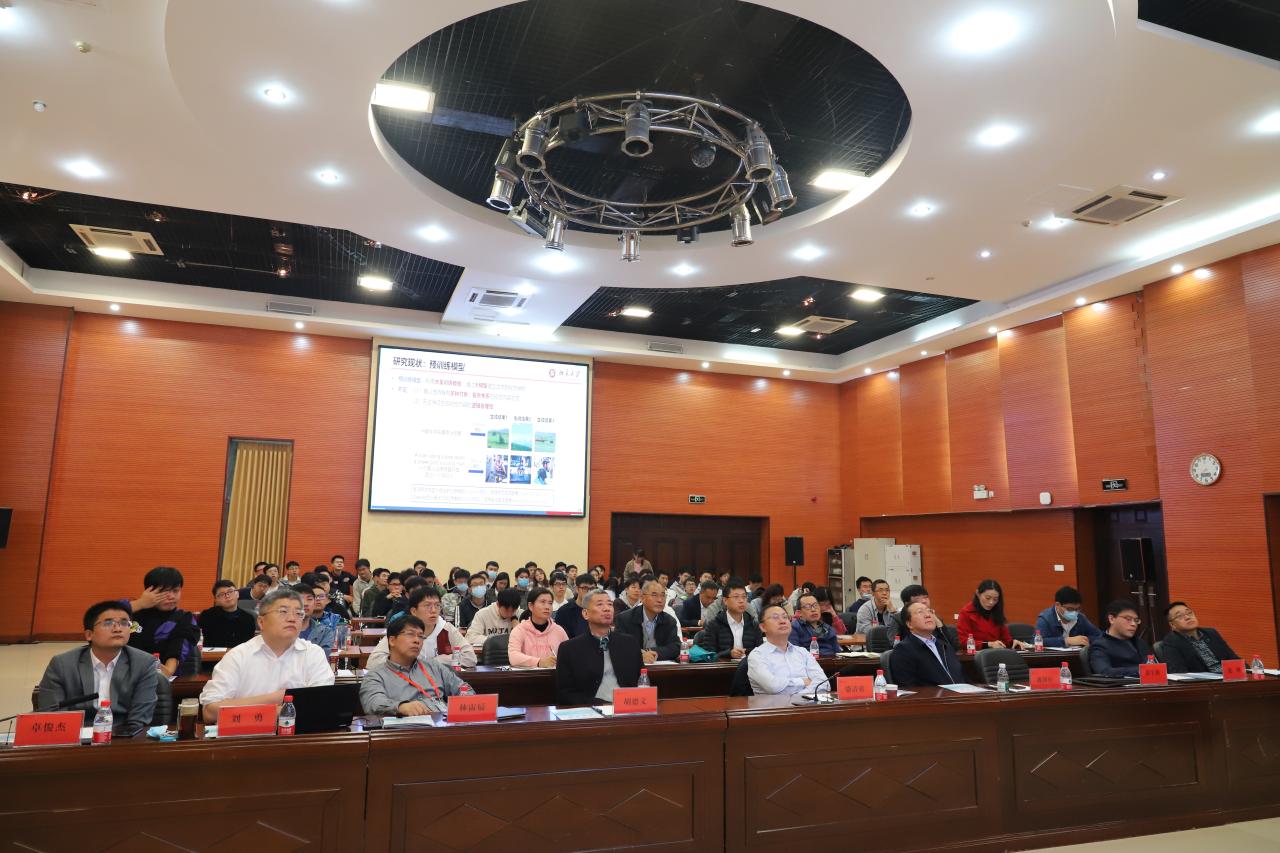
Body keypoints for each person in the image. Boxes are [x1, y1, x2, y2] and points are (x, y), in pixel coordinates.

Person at [199, 588, 335, 722]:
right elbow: (210, 712)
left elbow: (320, 705)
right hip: (248, 734)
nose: (292, 618)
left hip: (300, 734)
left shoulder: (313, 654)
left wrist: (248, 707)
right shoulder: (238, 656)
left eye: (299, 613)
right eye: (283, 612)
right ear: (261, 622)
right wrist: (281, 698)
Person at [38, 601, 158, 736]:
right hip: (74, 736)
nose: (118, 629)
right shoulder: (63, 664)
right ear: (89, 634)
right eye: (108, 623)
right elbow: (52, 714)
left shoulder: (143, 663)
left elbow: (139, 718)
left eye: (124, 623)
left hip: (123, 736)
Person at [359, 614, 473, 717]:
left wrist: (465, 702)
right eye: (410, 634)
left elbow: (464, 688)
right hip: (408, 729)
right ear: (392, 641)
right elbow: (373, 703)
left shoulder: (434, 667)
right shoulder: (375, 676)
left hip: (442, 723)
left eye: (421, 636)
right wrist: (400, 707)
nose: (417, 641)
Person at [554, 590, 642, 706]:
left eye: (610, 604)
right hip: (591, 710)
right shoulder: (569, 649)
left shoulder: (629, 643)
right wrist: (600, 704)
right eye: (600, 604)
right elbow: (565, 694)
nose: (607, 609)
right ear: (585, 614)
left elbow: (642, 682)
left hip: (628, 707)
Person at [367, 586, 475, 670]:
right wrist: (412, 664)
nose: (433, 610)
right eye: (427, 605)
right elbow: (373, 662)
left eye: (437, 605)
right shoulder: (401, 629)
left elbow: (470, 658)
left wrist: (439, 661)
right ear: (414, 611)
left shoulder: (446, 628)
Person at [123, 566, 200, 677]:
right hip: (124, 675)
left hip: (161, 677)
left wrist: (168, 671)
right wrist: (140, 603)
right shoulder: (131, 612)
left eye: (176, 590)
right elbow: (104, 617)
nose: (171, 596)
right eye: (164, 591)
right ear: (148, 591)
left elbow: (178, 647)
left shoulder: (184, 618)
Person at [748, 604, 826, 695]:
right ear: (763, 627)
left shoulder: (802, 652)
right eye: (775, 617)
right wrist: (803, 681)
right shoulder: (757, 655)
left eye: (785, 617)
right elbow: (773, 687)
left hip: (807, 703)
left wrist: (798, 697)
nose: (782, 621)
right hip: (774, 704)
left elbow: (824, 684)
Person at [889, 602, 965, 688]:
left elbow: (961, 676)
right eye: (920, 612)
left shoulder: (944, 646)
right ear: (909, 624)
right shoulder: (903, 650)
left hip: (961, 693)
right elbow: (908, 687)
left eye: (929, 611)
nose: (928, 615)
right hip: (935, 695)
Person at [1160, 601, 1238, 674]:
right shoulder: (1171, 642)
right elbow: (1179, 672)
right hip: (1206, 682)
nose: (1187, 617)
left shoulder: (1211, 633)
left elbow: (1233, 658)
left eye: (1189, 613)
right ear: (1172, 625)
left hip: (1229, 677)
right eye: (1180, 616)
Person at [694, 579, 762, 660]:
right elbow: (709, 655)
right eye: (736, 597)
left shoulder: (753, 624)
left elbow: (760, 652)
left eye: (744, 597)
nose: (741, 601)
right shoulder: (714, 624)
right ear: (725, 600)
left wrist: (747, 652)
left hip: (749, 666)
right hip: (723, 667)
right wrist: (729, 653)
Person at [615, 580, 681, 664]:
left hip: (660, 667)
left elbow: (675, 647)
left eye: (663, 595)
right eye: (654, 595)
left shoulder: (669, 620)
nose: (660, 600)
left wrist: (652, 653)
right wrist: (639, 655)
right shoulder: (624, 619)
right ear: (642, 598)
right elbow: (619, 646)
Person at [957, 579, 1029, 651]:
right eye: (987, 598)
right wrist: (988, 644)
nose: (991, 602)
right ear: (978, 594)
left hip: (996, 653)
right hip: (974, 655)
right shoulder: (966, 612)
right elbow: (964, 642)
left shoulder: (996, 612)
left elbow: (1005, 639)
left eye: (995, 599)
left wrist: (1012, 642)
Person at [1088, 600, 1153, 678]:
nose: (1133, 624)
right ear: (1112, 619)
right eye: (1128, 619)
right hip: (1122, 684)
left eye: (1136, 620)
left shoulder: (1139, 642)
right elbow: (1104, 671)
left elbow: (1153, 664)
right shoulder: (1099, 645)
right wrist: (1141, 670)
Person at [507, 587, 569, 668]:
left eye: (550, 603)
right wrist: (539, 662)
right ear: (531, 606)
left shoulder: (559, 631)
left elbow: (570, 655)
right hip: (529, 675)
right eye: (543, 602)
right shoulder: (519, 630)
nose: (547, 607)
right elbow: (513, 657)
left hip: (554, 674)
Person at [1035, 586, 1102, 648]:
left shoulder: (1080, 618)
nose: (1074, 612)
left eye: (1077, 609)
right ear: (1057, 605)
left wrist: (1084, 639)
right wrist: (1066, 641)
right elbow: (1036, 641)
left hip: (1075, 655)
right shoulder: (1045, 618)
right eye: (1070, 609)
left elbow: (1099, 636)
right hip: (1054, 656)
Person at [199, 579, 257, 649]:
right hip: (213, 655)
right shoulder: (207, 616)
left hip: (239, 655)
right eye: (222, 594)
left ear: (237, 594)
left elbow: (248, 646)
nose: (227, 596)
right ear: (216, 600)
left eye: (230, 592)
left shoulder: (248, 618)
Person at [789, 592, 840, 657]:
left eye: (815, 605)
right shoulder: (794, 627)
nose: (813, 609)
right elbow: (794, 653)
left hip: (831, 661)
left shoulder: (826, 628)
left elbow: (837, 652)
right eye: (808, 607)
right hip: (806, 662)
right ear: (799, 612)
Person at [294, 583, 337, 654]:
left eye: (309, 599)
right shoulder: (278, 630)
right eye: (300, 599)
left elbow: (323, 657)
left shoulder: (325, 632)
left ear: (314, 603)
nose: (305, 603)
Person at [554, 574, 598, 639]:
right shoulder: (564, 611)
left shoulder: (599, 610)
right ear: (577, 589)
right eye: (585, 588)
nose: (589, 592)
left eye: (592, 589)